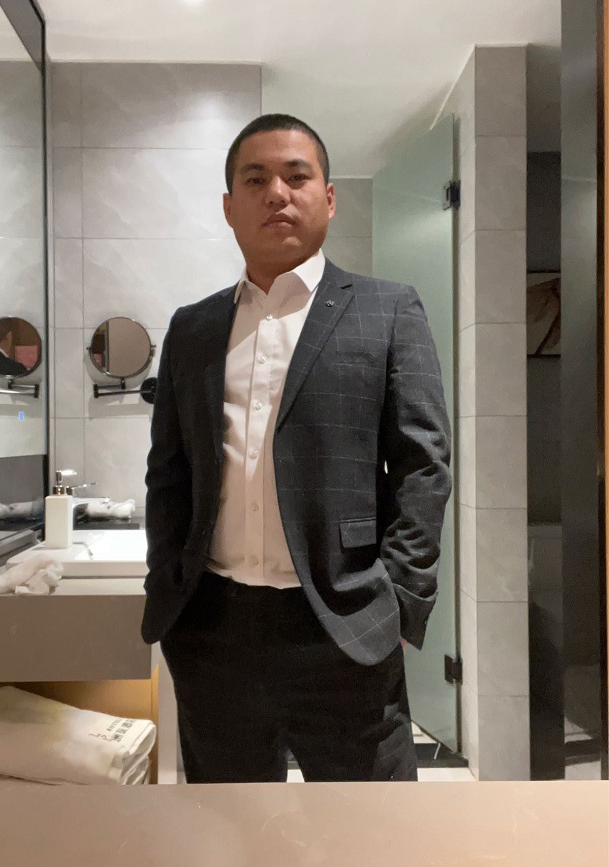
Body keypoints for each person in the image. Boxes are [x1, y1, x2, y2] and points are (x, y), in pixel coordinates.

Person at [142, 113, 452, 783]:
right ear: (229, 206)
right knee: (230, 825)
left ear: (329, 198)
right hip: (213, 630)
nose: (277, 193)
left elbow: (424, 466)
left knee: (371, 828)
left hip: (345, 625)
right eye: (255, 180)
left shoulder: (387, 310)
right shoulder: (192, 328)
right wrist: (167, 587)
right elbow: (168, 474)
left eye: (296, 176)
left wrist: (401, 600)